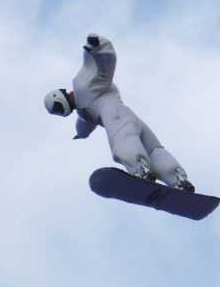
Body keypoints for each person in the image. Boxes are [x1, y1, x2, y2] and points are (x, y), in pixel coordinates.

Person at [44, 33, 195, 192]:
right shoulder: (84, 111)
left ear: (59, 97)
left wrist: (98, 48)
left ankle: (139, 168)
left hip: (116, 116)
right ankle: (177, 179)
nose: (61, 112)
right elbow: (84, 125)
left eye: (58, 109)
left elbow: (104, 68)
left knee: (122, 141)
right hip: (131, 118)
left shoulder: (83, 86)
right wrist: (81, 134)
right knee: (153, 150)